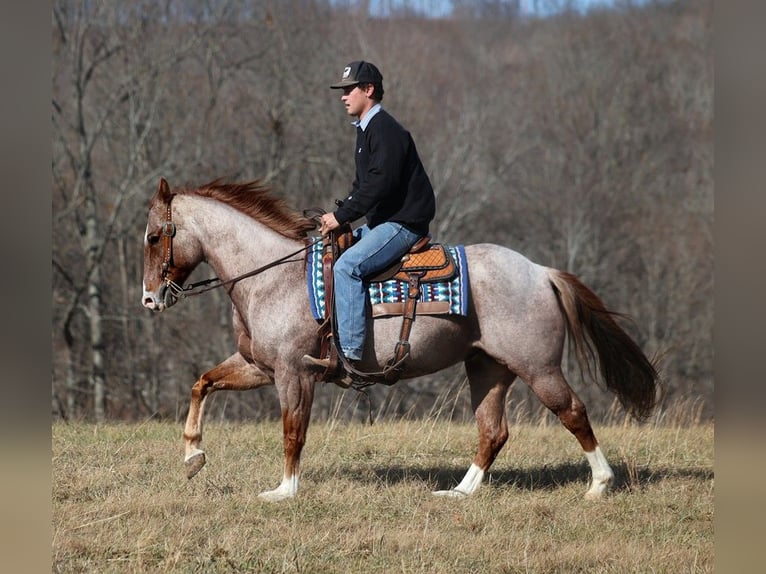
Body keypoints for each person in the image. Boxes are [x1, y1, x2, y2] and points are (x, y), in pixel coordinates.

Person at [302, 60, 436, 370]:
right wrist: (339, 216)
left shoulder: (385, 130)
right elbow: (363, 185)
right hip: (385, 222)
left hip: (404, 224)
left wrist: (342, 215)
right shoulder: (367, 130)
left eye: (349, 89)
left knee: (347, 266)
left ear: (369, 90)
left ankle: (349, 356)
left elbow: (380, 184)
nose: (343, 96)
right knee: (331, 252)